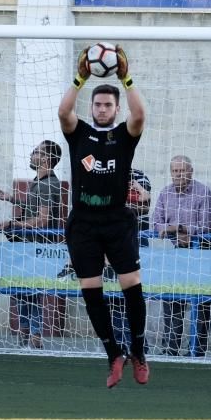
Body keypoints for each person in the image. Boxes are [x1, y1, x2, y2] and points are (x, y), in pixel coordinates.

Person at [58, 43, 150, 388]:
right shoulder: (78, 132)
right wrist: (80, 77)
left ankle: (139, 350)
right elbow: (63, 111)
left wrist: (126, 78)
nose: (101, 109)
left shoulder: (124, 136)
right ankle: (114, 355)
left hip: (116, 221)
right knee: (91, 289)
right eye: (97, 104)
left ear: (115, 108)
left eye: (107, 105)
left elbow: (139, 116)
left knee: (131, 286)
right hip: (82, 223)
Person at [0, 141, 63, 349]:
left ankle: (34, 335)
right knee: (20, 290)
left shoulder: (48, 184)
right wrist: (11, 199)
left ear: (46, 159)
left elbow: (42, 219)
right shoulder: (38, 182)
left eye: (37, 152)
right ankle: (26, 334)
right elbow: (33, 205)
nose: (32, 154)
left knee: (33, 292)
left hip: (37, 247)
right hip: (25, 246)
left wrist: (13, 224)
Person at [152, 155, 211, 356]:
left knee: (201, 303)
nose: (179, 174)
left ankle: (197, 349)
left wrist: (179, 228)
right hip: (177, 254)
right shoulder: (165, 193)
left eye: (183, 170)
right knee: (172, 299)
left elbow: (206, 226)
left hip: (202, 253)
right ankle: (170, 348)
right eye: (175, 170)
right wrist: (169, 230)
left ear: (191, 171)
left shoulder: (203, 192)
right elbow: (156, 221)